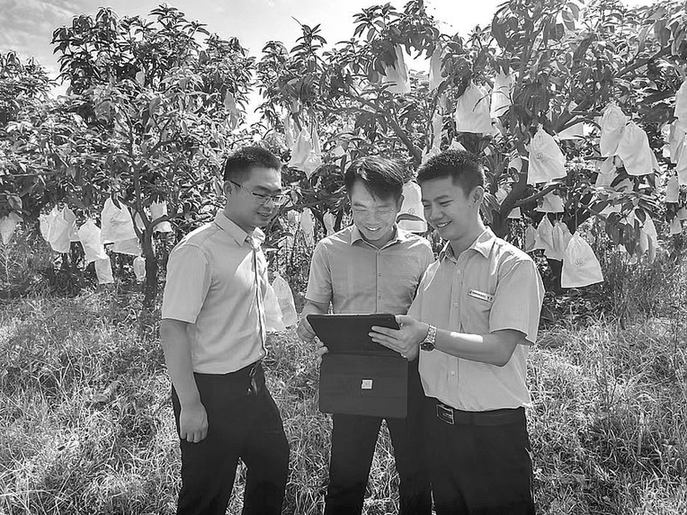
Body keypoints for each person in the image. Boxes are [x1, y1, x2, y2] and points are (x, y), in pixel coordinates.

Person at [370, 150, 544, 514]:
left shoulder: (513, 266)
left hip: (494, 434)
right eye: (427, 204)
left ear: (477, 196)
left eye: (444, 202)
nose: (434, 214)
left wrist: (428, 335)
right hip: (440, 431)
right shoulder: (434, 272)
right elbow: (411, 343)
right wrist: (345, 345)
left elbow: (500, 350)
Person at [297, 156, 434, 515]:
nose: (371, 220)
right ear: (349, 203)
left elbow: (429, 313)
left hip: (408, 370)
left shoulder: (421, 251)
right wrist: (310, 323)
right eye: (360, 208)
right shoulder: (329, 250)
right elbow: (313, 306)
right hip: (350, 369)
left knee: (416, 470)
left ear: (400, 204)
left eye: (382, 209)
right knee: (346, 473)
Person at [160, 146, 290, 515]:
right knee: (207, 492)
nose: (269, 204)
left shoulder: (252, 242)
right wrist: (190, 405)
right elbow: (173, 329)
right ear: (229, 190)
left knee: (273, 464)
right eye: (260, 193)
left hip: (252, 382)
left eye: (276, 195)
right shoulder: (198, 250)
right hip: (211, 390)